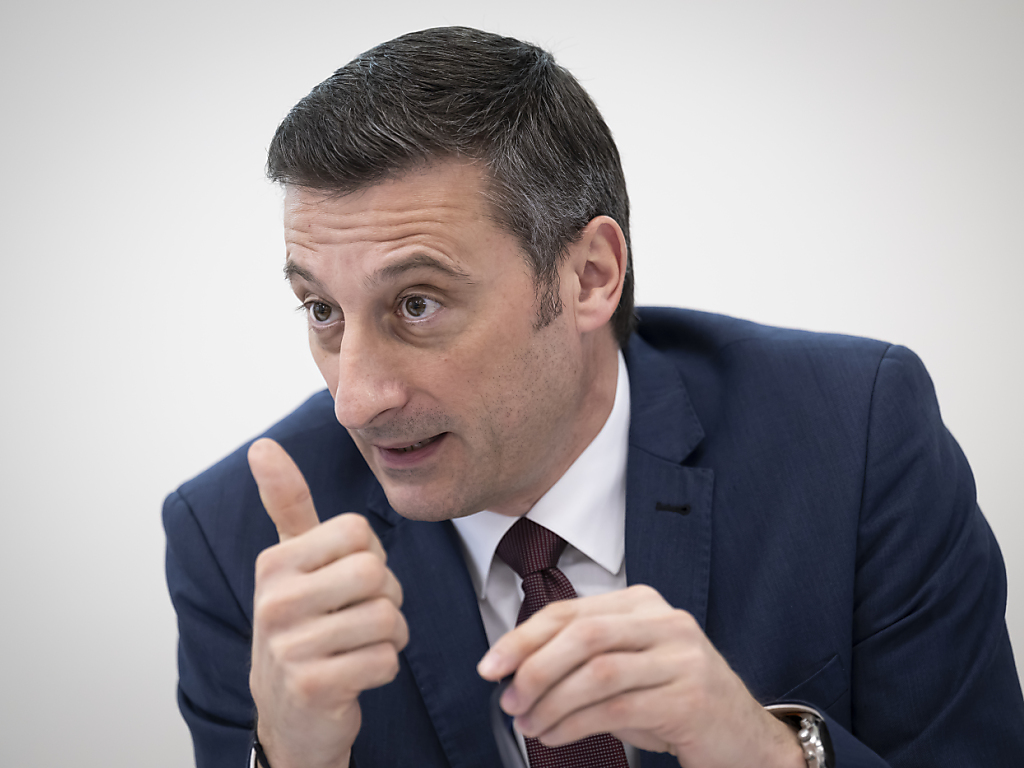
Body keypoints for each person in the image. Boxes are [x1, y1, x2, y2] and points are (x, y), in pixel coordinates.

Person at [163, 26, 1024, 768]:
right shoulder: (239, 543)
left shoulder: (855, 435)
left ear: (590, 276)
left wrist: (762, 751)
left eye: (417, 304)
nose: (356, 399)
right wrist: (289, 756)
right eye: (321, 310)